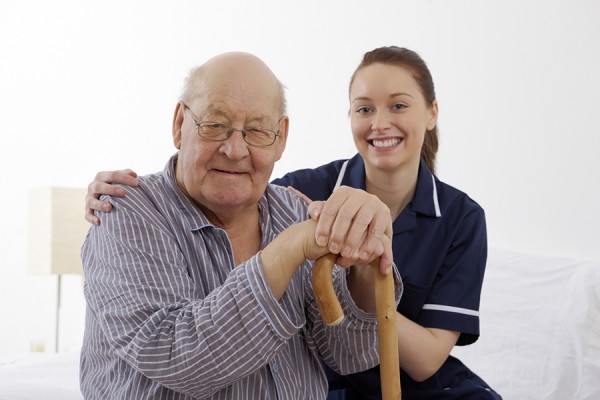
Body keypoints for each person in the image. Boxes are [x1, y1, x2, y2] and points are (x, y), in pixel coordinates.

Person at [85, 46, 501, 399]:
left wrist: (363, 271)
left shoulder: (293, 206)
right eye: (214, 124)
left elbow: (348, 350)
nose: (235, 149)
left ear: (281, 137)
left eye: (257, 131)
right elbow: (176, 356)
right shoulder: (127, 211)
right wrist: (287, 250)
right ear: (179, 124)